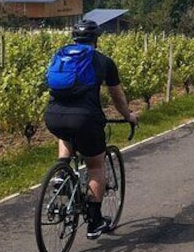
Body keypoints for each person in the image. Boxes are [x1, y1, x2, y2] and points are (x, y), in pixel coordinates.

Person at [44, 20, 138, 239]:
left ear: (74, 38)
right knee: (96, 166)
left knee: (65, 134)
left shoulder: (60, 56)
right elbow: (117, 96)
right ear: (97, 39)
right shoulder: (103, 61)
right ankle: (95, 222)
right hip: (85, 119)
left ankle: (61, 172)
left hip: (53, 116)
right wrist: (128, 116)